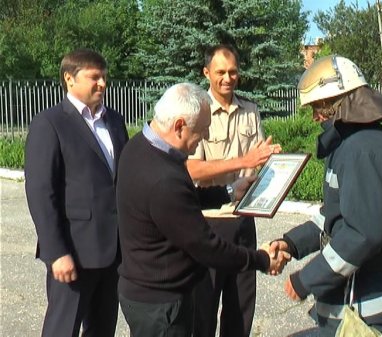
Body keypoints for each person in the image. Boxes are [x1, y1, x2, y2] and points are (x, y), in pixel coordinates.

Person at [116, 82, 289, 337]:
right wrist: (261, 259)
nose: (203, 139)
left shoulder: (139, 147)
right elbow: (207, 247)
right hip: (163, 306)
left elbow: (182, 200)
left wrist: (230, 191)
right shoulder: (164, 178)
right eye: (201, 131)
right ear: (179, 127)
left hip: (143, 291)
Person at [270, 55, 382, 337]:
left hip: (364, 310)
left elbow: (362, 234)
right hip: (351, 302)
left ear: (339, 102)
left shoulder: (362, 149)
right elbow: (333, 214)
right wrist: (291, 244)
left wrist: (306, 280)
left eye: (318, 107)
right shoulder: (350, 144)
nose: (315, 117)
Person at [24, 49, 129, 337]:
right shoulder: (51, 124)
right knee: (63, 328)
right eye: (94, 77)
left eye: (104, 77)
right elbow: (41, 192)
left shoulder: (116, 122)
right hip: (75, 252)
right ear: (69, 79)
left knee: (102, 329)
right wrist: (57, 252)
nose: (102, 84)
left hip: (113, 252)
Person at [187, 44, 281, 337]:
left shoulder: (250, 111)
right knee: (204, 309)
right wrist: (244, 161)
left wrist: (277, 169)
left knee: (241, 308)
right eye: (220, 72)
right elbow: (191, 169)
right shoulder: (198, 112)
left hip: (244, 219)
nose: (228, 78)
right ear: (206, 73)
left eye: (233, 72)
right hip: (210, 219)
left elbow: (261, 164)